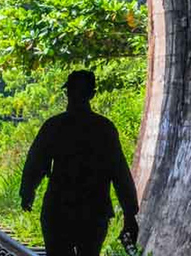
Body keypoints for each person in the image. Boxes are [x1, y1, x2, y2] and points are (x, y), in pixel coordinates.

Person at [19, 70, 139, 256]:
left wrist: (27, 192)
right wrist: (130, 213)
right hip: (94, 211)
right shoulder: (104, 128)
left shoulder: (54, 125)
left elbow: (36, 162)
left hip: (59, 209)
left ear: (67, 93)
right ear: (92, 94)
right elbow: (119, 172)